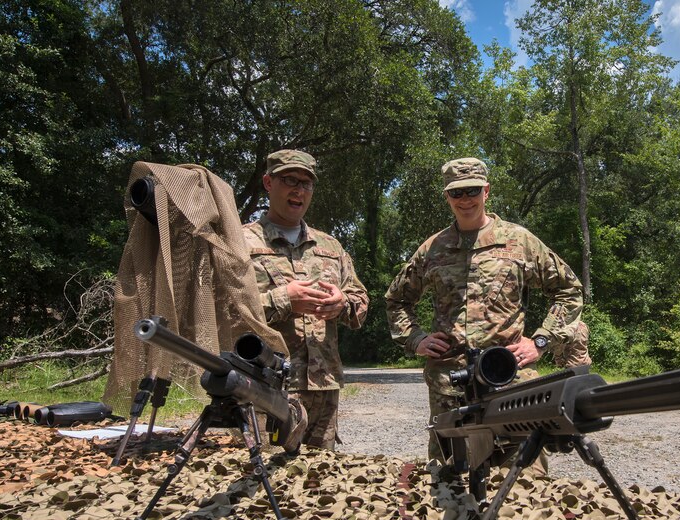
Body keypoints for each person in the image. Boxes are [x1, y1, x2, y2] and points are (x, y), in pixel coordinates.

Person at [384, 156, 583, 478]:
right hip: (450, 380)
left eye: (472, 191)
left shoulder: (520, 241)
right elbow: (396, 299)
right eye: (456, 193)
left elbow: (569, 290)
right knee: (449, 477)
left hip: (510, 374)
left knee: (523, 477)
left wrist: (543, 340)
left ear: (486, 191)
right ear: (447, 196)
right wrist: (415, 338)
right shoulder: (433, 249)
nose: (465, 200)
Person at [243, 149, 369, 451]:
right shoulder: (242, 242)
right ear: (268, 183)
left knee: (318, 487)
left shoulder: (330, 246)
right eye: (290, 180)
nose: (299, 190)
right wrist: (283, 299)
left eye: (307, 183)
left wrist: (343, 304)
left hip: (324, 388)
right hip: (266, 389)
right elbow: (225, 310)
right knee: (264, 485)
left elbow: (360, 301)